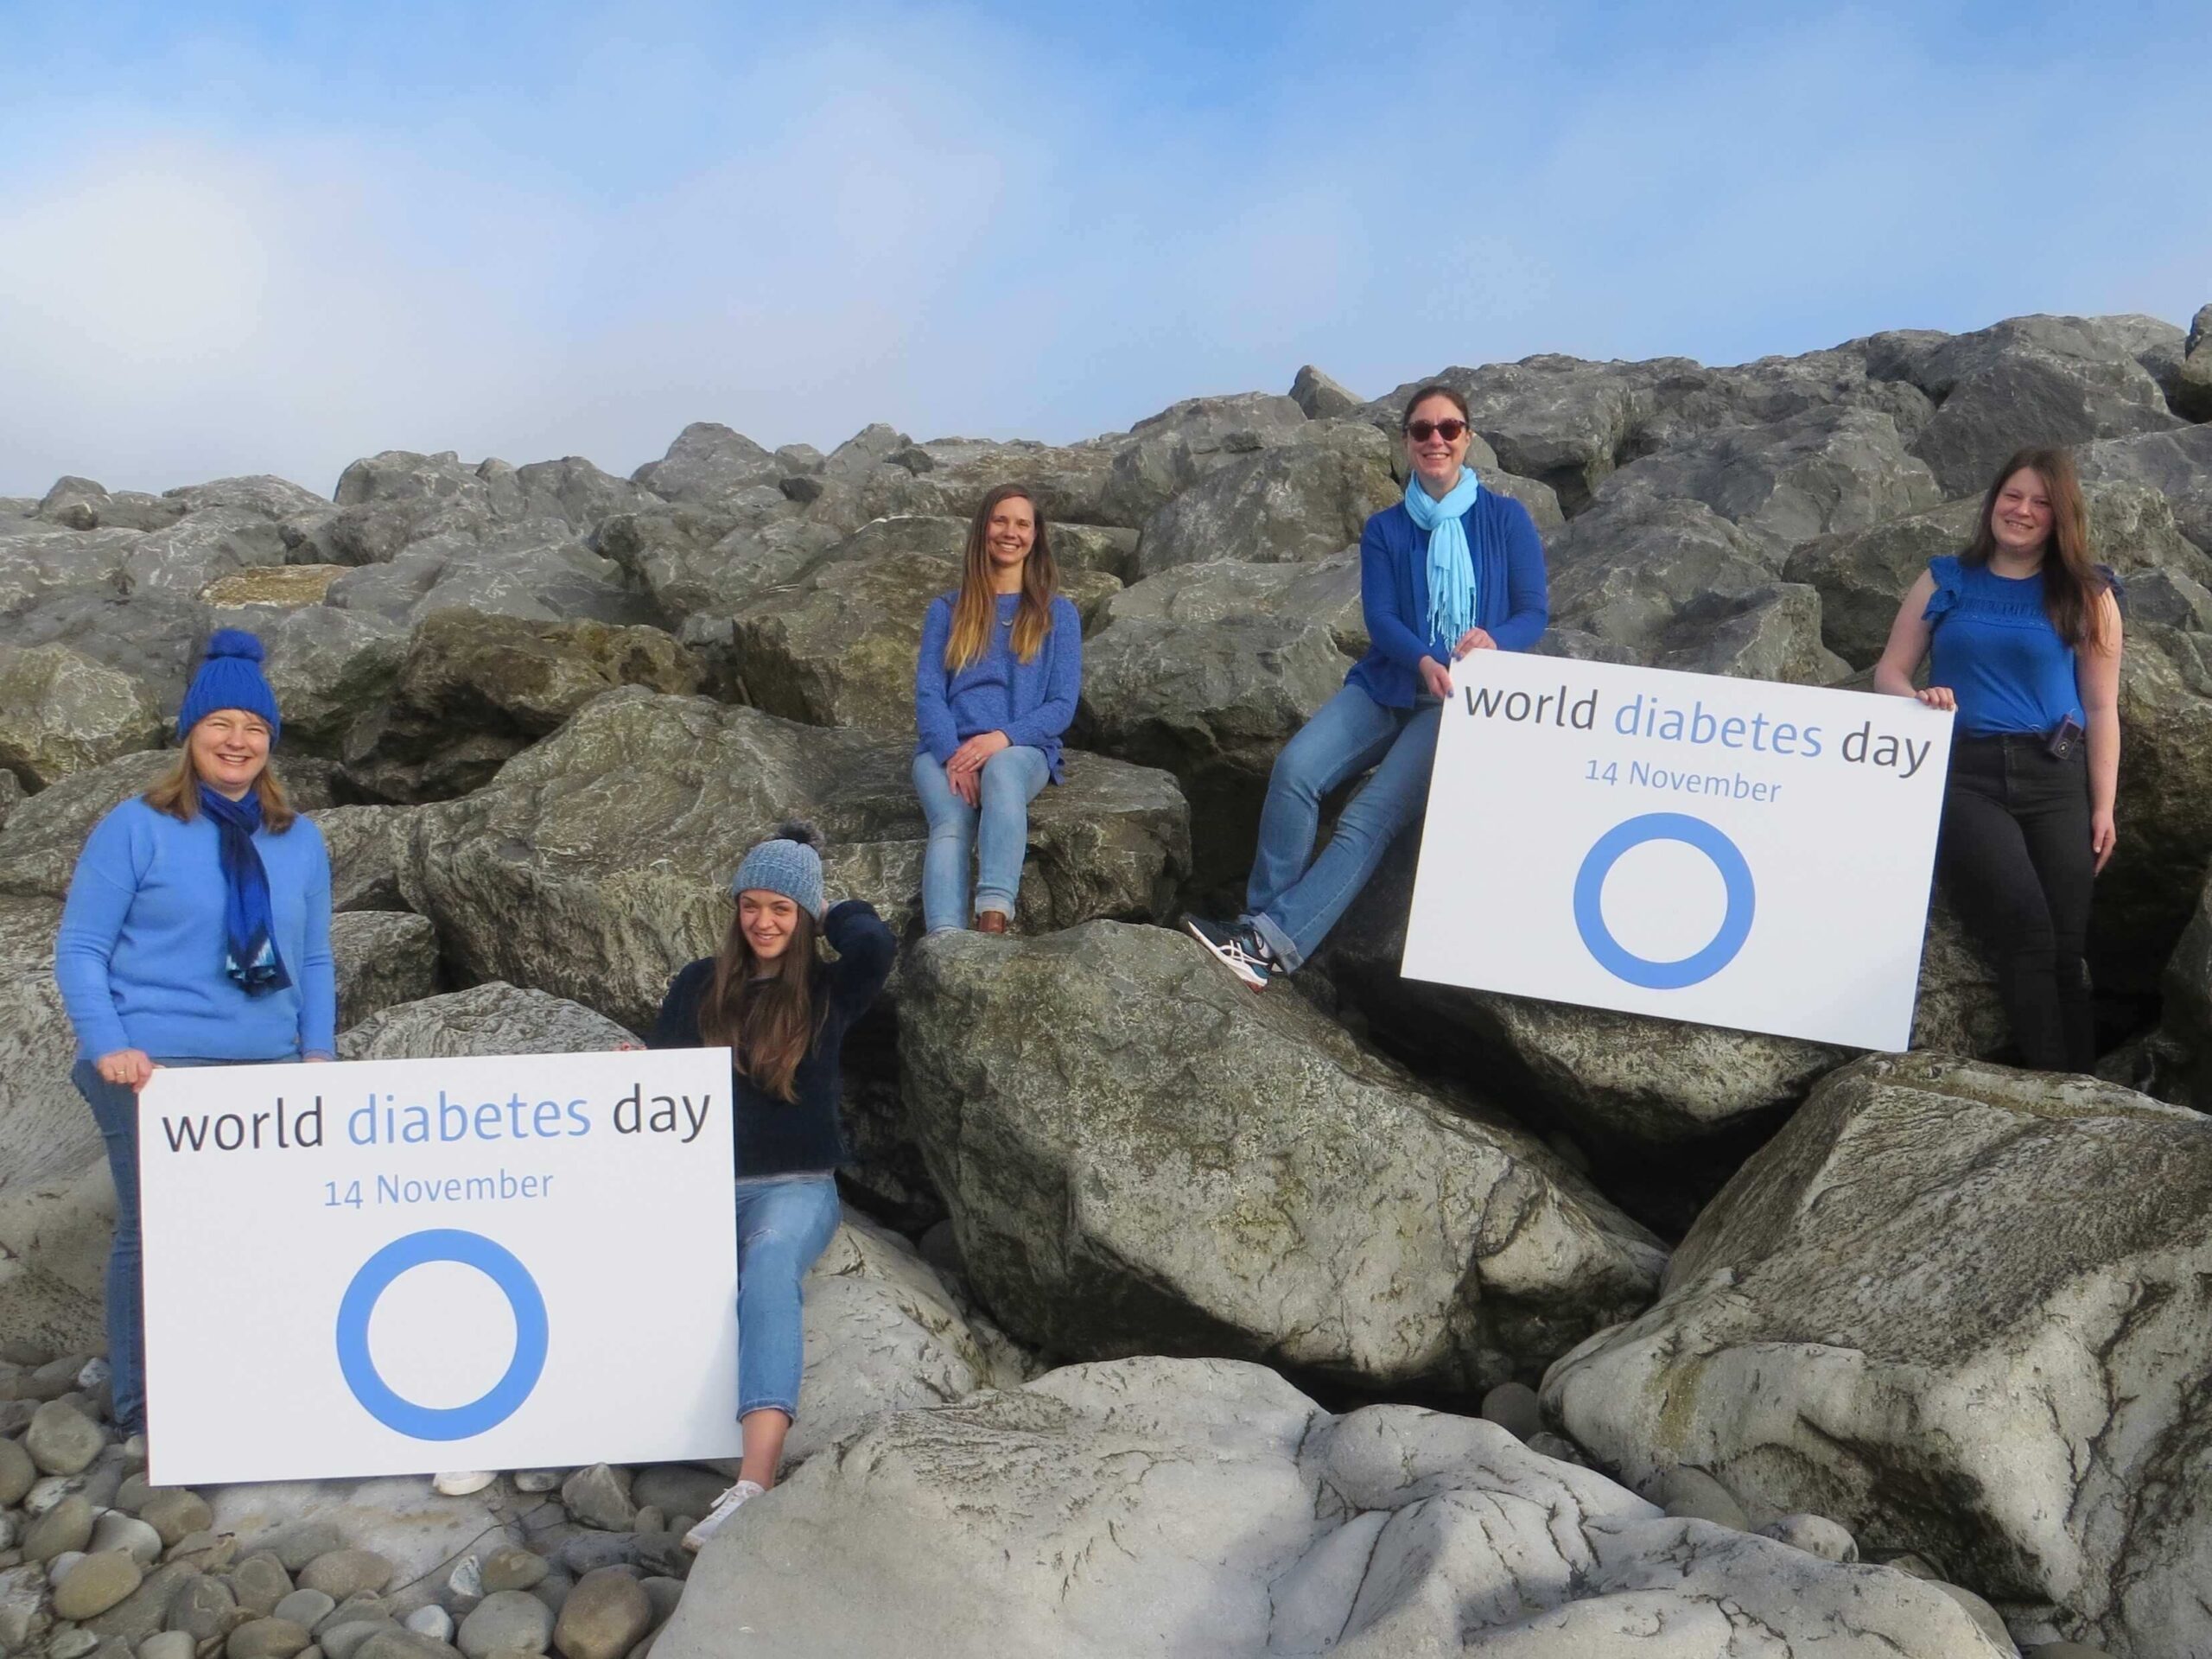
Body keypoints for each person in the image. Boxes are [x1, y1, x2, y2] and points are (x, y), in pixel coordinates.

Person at [54, 628, 335, 1439]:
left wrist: (318, 1054)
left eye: (254, 727)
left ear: (270, 742)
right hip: (153, 1064)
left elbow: (313, 957)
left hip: (269, 1063)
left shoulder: (299, 839)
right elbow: (81, 948)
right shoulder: (135, 827)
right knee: (159, 1228)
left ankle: (254, 1384)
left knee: (266, 1232)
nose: (237, 740)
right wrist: (110, 1044)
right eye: (221, 725)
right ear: (192, 734)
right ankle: (146, 1406)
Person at [1185, 384, 1548, 987]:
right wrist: (1424, 658)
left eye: (1449, 429)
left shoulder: (1505, 519)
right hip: (1389, 683)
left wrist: (1495, 641)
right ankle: (1258, 922)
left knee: (1369, 817)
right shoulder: (1387, 528)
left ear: (1469, 438)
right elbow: (1380, 619)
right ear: (1406, 442)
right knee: (1296, 769)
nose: (1436, 440)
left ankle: (1272, 942)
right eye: (1423, 430)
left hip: (1459, 706)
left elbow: (1532, 611)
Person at [646, 823, 895, 1548]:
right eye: (753, 905)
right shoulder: (699, 982)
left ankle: (753, 1482)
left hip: (793, 1186)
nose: (764, 922)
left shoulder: (828, 987)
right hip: (702, 1186)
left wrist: (824, 886)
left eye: (783, 909)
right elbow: (664, 1084)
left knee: (768, 1271)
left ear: (806, 918)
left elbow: (875, 945)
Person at [1872, 445, 2122, 1072]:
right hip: (1966, 777)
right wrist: (1919, 700)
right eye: (2013, 496)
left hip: (2055, 776)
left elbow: (2101, 709)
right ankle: (2049, 1086)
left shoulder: (2089, 594)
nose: (2023, 510)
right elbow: (1889, 672)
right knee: (2027, 930)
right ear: (1992, 503)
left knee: (2067, 947)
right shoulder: (1944, 579)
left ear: (2060, 516)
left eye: (2041, 502)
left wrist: (2104, 807)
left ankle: (2085, 1093)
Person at [912, 485, 1083, 934]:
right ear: (983, 529)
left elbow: (1063, 705)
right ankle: (945, 943)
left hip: (1022, 747)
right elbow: (929, 693)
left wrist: (1000, 740)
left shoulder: (1058, 614)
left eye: (1022, 524)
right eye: (1001, 521)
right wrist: (954, 754)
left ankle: (994, 917)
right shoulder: (946, 609)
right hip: (946, 751)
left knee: (1003, 770)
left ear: (1036, 536)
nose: (1011, 532)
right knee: (950, 821)